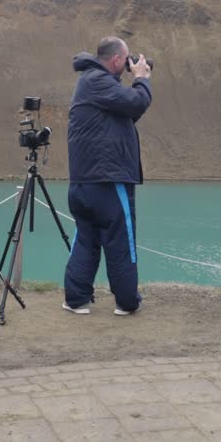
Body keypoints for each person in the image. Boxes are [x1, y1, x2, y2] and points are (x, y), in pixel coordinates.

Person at [63, 36, 152, 315]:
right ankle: (127, 302)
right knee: (121, 242)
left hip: (84, 183)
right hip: (107, 181)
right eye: (126, 60)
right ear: (116, 60)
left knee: (86, 240)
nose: (129, 64)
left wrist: (134, 83)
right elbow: (136, 103)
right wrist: (141, 78)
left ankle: (75, 299)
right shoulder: (97, 82)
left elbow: (126, 114)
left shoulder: (91, 83)